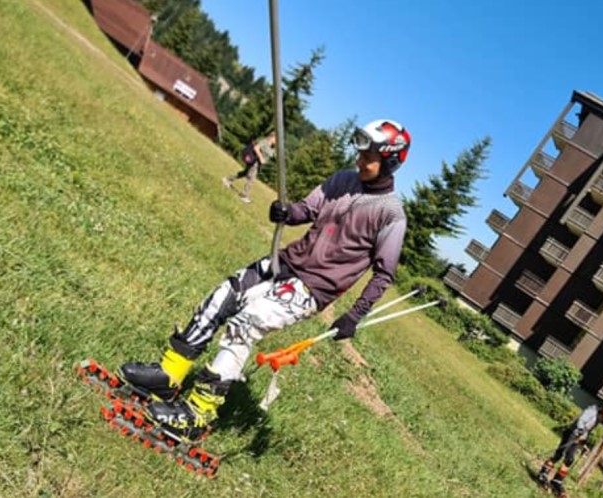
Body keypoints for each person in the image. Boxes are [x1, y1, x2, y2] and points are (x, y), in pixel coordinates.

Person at [119, 119, 412, 443]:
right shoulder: (343, 179)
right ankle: (168, 375)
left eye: (369, 158)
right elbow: (307, 209)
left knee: (245, 323)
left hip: (310, 288)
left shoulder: (391, 215)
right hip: (285, 261)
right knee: (221, 297)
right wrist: (287, 212)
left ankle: (199, 413)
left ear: (390, 162)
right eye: (361, 154)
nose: (360, 161)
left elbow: (384, 273)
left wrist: (355, 315)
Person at [537, 404, 603, 497]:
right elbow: (581, 420)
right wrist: (580, 432)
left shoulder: (598, 418)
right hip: (572, 433)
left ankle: (557, 481)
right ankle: (543, 473)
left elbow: (588, 429)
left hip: (578, 438)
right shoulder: (592, 411)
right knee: (559, 454)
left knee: (569, 459)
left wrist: (584, 439)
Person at [222, 132, 277, 203]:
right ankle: (245, 196)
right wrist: (261, 158)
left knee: (244, 173)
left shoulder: (273, 148)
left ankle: (227, 179)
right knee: (251, 179)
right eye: (276, 139)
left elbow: (274, 156)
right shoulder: (265, 142)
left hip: (259, 165)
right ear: (272, 137)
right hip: (255, 162)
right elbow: (256, 148)